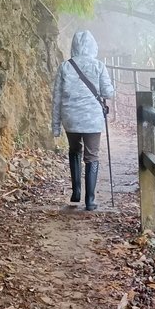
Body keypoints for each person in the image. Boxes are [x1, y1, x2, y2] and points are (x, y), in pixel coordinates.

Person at [51, 30, 114, 211]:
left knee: (74, 150)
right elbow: (108, 93)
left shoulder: (65, 66)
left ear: (74, 46)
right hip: (92, 120)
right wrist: (108, 88)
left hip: (70, 118)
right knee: (92, 156)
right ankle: (90, 200)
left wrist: (55, 126)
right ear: (93, 46)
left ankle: (76, 191)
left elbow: (56, 98)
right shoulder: (99, 66)